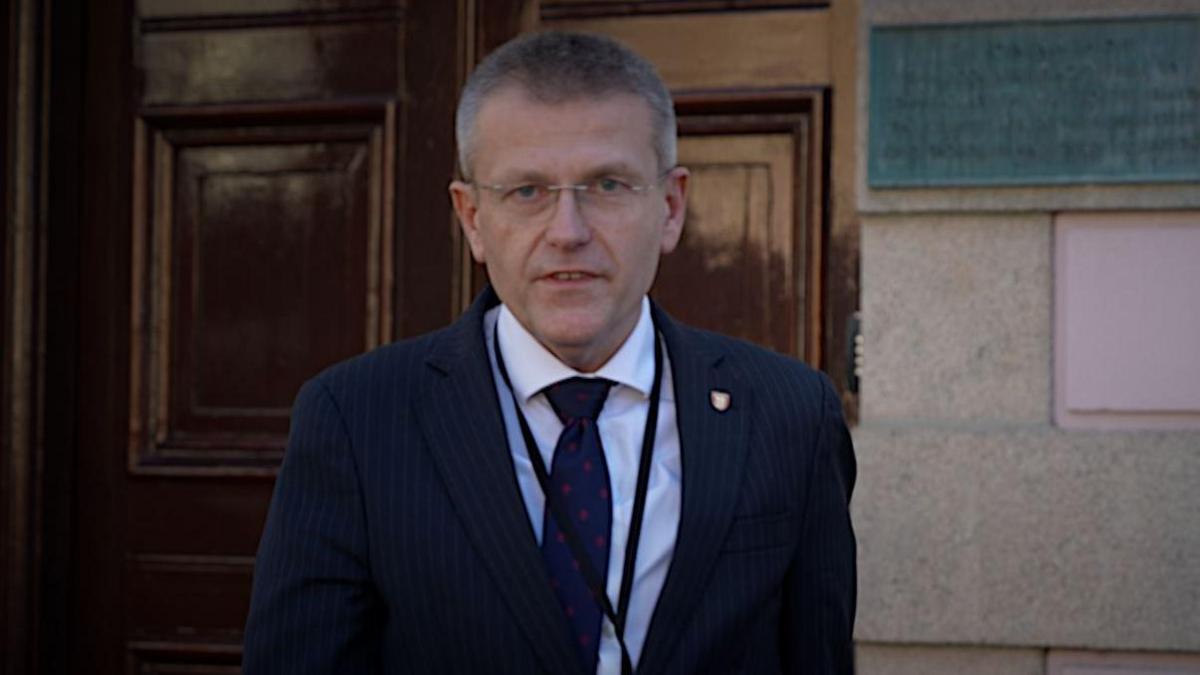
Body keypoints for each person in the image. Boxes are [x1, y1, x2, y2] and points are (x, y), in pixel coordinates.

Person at [243, 30, 856, 675]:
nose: (568, 232)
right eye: (527, 192)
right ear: (472, 217)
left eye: (608, 185)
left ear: (671, 207)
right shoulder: (356, 417)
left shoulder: (792, 413)